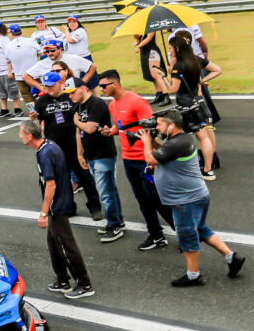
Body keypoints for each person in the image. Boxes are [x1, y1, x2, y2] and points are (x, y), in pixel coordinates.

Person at [141, 110, 244, 287]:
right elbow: (163, 152)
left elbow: (150, 159)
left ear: (171, 126)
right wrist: (151, 141)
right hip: (195, 196)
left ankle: (193, 275)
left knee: (187, 235)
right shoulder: (179, 140)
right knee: (201, 229)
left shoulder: (176, 143)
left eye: (159, 124)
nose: (156, 127)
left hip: (185, 200)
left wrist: (145, 143)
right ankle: (231, 257)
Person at [98, 70, 175, 251]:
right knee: (142, 200)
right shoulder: (113, 105)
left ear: (115, 84)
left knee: (158, 200)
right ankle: (156, 235)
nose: (101, 90)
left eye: (104, 86)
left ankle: (186, 234)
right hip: (128, 159)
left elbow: (152, 128)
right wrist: (110, 131)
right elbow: (120, 126)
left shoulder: (136, 102)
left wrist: (156, 157)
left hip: (145, 159)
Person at [18, 120, 94, 299]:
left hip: (57, 206)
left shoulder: (44, 154)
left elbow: (50, 185)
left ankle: (84, 284)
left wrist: (44, 212)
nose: (20, 136)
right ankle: (62, 279)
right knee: (53, 243)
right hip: (61, 201)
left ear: (29, 136)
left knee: (67, 246)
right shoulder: (49, 145)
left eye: (21, 133)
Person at [31, 72, 103, 220]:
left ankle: (95, 207)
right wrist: (35, 119)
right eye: (46, 86)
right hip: (55, 148)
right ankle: (68, 207)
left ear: (60, 83)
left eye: (51, 86)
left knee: (84, 177)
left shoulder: (71, 97)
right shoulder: (42, 101)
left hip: (74, 145)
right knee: (60, 179)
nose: (48, 89)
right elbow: (39, 125)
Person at [152, 38, 219, 179]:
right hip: (198, 102)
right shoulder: (196, 59)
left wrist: (164, 76)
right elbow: (217, 70)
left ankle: (181, 168)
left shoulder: (179, 66)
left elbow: (173, 89)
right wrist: (202, 81)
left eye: (170, 49)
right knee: (203, 137)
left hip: (185, 106)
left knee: (179, 137)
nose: (169, 51)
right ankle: (208, 170)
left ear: (177, 49)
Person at [68, 79, 124, 242]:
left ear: (84, 88)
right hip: (91, 155)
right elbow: (79, 133)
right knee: (108, 191)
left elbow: (90, 128)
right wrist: (80, 155)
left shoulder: (96, 104)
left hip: (103, 154)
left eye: (72, 92)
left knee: (106, 192)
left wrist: (77, 121)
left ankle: (114, 225)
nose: (70, 96)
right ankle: (117, 221)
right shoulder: (79, 106)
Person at [0, 22, 23, 118]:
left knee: (13, 91)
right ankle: (4, 109)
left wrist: (10, 71)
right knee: (1, 92)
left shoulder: (5, 40)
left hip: (5, 71)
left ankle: (18, 109)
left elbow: (9, 56)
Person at [4, 23, 40, 108]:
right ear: (21, 31)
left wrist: (9, 72)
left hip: (20, 75)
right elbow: (40, 53)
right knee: (38, 94)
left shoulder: (8, 45)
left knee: (26, 96)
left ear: (11, 34)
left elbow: (8, 61)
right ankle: (42, 112)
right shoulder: (31, 41)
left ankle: (34, 113)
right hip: (33, 74)